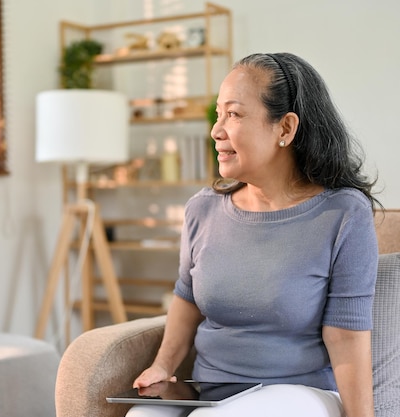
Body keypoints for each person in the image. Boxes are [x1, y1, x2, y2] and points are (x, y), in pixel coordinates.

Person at [126, 52, 382, 417]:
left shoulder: (343, 214)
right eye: (218, 113)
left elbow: (346, 337)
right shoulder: (203, 209)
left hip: (300, 393)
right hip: (211, 393)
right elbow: (188, 299)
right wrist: (163, 366)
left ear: (285, 128)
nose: (216, 130)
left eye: (233, 114)